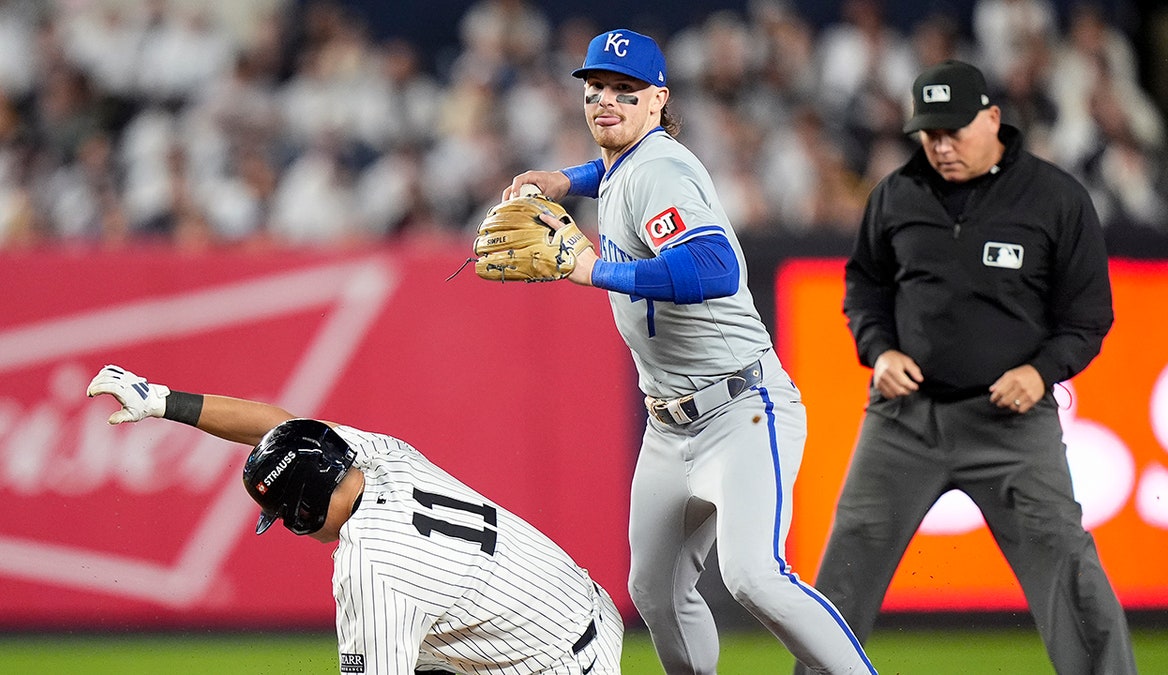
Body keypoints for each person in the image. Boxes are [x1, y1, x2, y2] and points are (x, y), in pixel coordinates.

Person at [502, 29, 875, 675]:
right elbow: (615, 171)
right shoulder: (629, 164)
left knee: (756, 575)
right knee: (655, 590)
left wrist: (595, 270)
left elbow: (714, 267)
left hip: (741, 408)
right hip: (670, 426)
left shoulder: (661, 169)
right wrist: (568, 178)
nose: (607, 103)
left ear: (658, 101)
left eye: (626, 91)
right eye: (596, 92)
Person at [794, 60, 1137, 675]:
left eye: (954, 131)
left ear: (993, 119)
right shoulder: (896, 195)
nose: (941, 146)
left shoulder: (1056, 199)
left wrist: (1042, 372)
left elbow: (1088, 316)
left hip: (1013, 423)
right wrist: (880, 350)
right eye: (929, 134)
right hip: (903, 422)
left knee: (1069, 569)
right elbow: (864, 288)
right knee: (842, 578)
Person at [85, 364, 622, 675]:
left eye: (284, 516)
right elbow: (285, 430)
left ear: (303, 512)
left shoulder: (369, 566)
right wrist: (161, 401)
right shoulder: (384, 456)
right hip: (579, 610)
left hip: (554, 665)